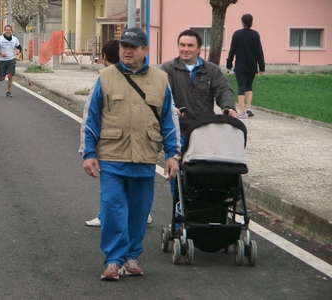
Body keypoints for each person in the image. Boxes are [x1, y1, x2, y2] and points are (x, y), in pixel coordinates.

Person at [79, 27, 180, 281]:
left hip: (145, 158)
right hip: (112, 157)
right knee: (113, 207)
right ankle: (113, 260)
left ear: (145, 50)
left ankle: (131, 256)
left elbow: (169, 120)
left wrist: (172, 154)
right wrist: (88, 153)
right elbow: (90, 119)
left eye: (134, 46)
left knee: (138, 211)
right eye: (124, 45)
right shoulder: (105, 77)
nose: (127, 50)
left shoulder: (161, 80)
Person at [161, 29, 238, 198]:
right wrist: (170, 108)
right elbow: (161, 93)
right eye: (182, 45)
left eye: (190, 45)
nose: (185, 49)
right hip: (177, 133)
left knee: (202, 175)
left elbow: (224, 91)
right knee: (176, 176)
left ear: (199, 49)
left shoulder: (212, 70)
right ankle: (179, 213)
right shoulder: (168, 69)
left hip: (204, 132)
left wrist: (228, 107)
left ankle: (201, 212)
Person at [85, 39, 153, 227]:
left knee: (111, 186)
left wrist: (89, 148)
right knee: (122, 183)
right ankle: (139, 214)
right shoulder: (150, 78)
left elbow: (90, 114)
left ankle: (107, 215)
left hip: (111, 145)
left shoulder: (104, 78)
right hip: (141, 145)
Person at [226, 13, 265, 118]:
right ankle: (249, 107)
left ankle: (242, 111)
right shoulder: (255, 35)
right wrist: (262, 66)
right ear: (251, 22)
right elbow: (259, 51)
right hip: (252, 65)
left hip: (240, 66)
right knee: (249, 86)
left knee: (241, 87)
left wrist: (229, 64)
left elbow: (232, 51)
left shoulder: (237, 34)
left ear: (242, 22)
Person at [0, 25, 22, 98]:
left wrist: (18, 51)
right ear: (4, 31)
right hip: (2, 60)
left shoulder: (15, 39)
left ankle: (8, 91)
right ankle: (3, 74)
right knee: (2, 78)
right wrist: (1, 53)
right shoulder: (0, 39)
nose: (8, 32)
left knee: (10, 75)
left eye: (9, 30)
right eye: (6, 30)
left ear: (11, 31)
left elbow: (19, 47)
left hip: (11, 59)